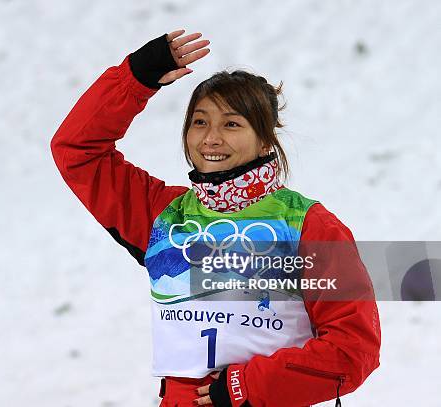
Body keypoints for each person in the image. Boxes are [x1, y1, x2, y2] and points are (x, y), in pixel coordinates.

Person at [51, 29, 381, 407]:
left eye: (231, 124)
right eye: (200, 122)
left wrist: (247, 387)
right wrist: (134, 79)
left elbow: (353, 350)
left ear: (265, 141)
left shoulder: (310, 226)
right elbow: (77, 150)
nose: (210, 138)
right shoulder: (162, 215)